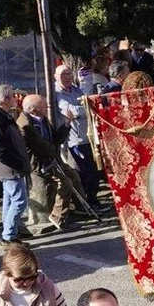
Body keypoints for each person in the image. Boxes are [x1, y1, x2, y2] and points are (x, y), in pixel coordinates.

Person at [19, 94, 76, 234]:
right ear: (33, 110)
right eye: (44, 106)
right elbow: (44, 148)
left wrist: (67, 124)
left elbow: (55, 139)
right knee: (65, 183)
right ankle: (57, 216)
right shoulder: (26, 126)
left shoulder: (42, 119)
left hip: (50, 159)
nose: (47, 108)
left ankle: (82, 209)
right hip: (39, 164)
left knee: (74, 175)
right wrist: (56, 158)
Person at [0, 85, 32, 246]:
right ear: (4, 99)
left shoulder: (1, 114)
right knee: (19, 201)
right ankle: (8, 237)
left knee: (10, 200)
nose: (15, 99)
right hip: (9, 168)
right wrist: (17, 163)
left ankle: (10, 232)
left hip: (8, 167)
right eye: (12, 96)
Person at [54, 66, 102, 207]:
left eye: (69, 73)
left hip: (88, 136)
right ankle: (85, 202)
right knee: (82, 171)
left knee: (93, 170)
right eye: (63, 74)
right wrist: (86, 109)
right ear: (56, 76)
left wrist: (86, 108)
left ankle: (93, 199)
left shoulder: (76, 89)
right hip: (73, 139)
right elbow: (70, 111)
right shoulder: (56, 93)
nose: (67, 77)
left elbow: (88, 104)